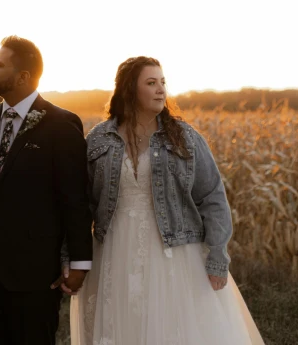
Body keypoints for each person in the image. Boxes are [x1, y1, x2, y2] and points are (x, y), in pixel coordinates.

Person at [70, 55, 265, 345]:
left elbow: (212, 195)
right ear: (129, 90)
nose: (161, 89)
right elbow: (81, 203)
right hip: (113, 248)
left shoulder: (185, 137)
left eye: (163, 82)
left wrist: (217, 255)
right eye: (151, 83)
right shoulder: (100, 139)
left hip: (175, 248)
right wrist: (71, 257)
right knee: (122, 324)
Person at [0, 35, 93, 345]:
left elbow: (75, 199)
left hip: (35, 269)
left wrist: (79, 262)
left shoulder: (61, 124)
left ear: (23, 76)